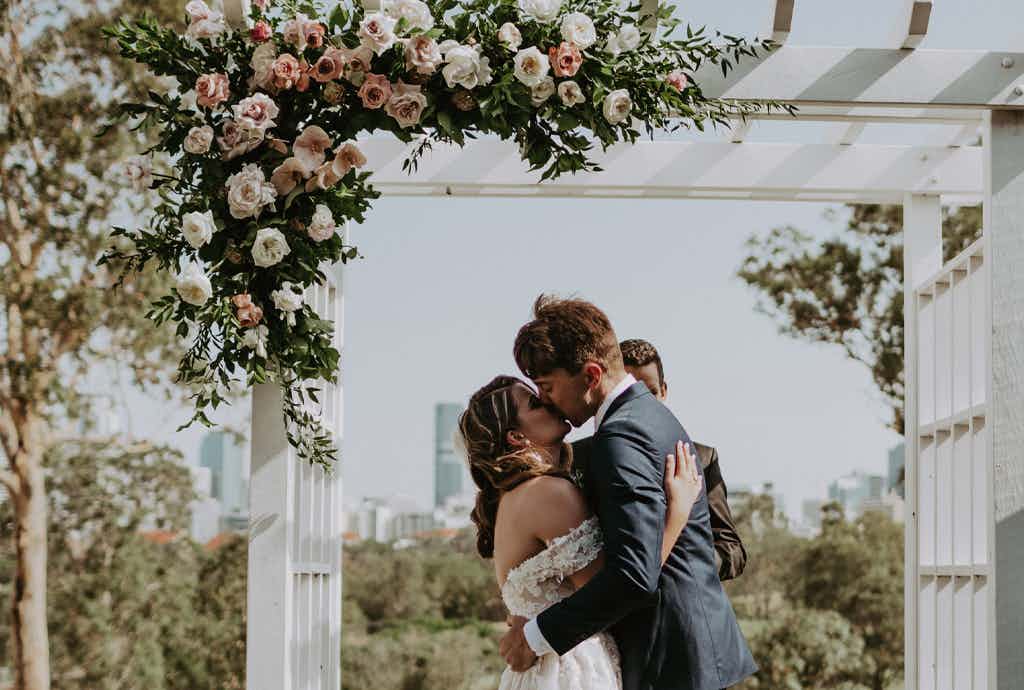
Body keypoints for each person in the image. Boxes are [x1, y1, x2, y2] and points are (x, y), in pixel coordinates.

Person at [499, 295, 756, 690]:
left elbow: (634, 574)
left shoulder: (622, 437)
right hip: (687, 652)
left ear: (590, 375)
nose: (546, 400)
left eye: (547, 387)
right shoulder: (646, 415)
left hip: (669, 659)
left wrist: (534, 637)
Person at [459, 375, 706, 690]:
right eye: (535, 403)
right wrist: (677, 512)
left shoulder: (512, 496)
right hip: (571, 670)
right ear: (517, 437)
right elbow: (618, 592)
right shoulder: (548, 492)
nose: (547, 401)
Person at [618, 338, 747, 581]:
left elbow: (733, 550)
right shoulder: (586, 456)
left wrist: (688, 566)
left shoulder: (703, 458)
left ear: (664, 391)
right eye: (630, 393)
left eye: (651, 392)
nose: (642, 403)